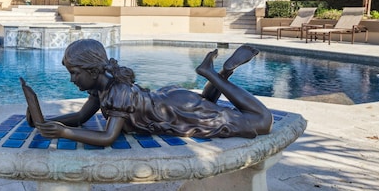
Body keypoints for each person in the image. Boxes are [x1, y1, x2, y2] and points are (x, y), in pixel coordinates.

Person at [29, 39, 273, 147]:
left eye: (75, 73)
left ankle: (212, 74)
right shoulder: (100, 88)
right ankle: (220, 73)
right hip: (174, 102)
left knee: (262, 120)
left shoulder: (118, 93)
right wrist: (45, 122)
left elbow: (107, 138)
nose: (72, 79)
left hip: (176, 109)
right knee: (207, 104)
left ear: (93, 70)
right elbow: (81, 118)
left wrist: (64, 132)